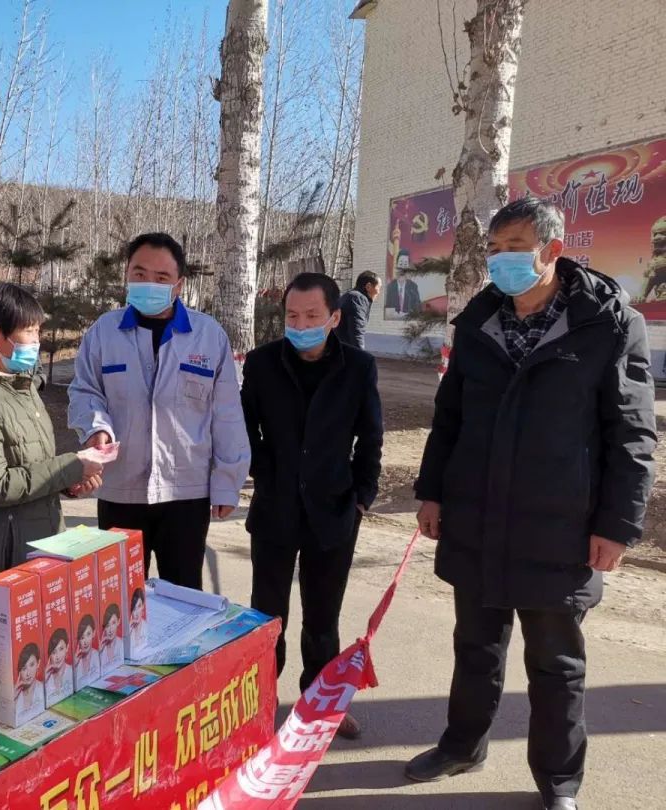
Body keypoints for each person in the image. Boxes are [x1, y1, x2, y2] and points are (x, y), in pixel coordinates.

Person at [406, 198, 656, 810]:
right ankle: (463, 745)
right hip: (477, 516)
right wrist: (432, 491)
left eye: (514, 245)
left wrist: (618, 526)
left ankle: (559, 781)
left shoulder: (609, 323)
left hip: (561, 526)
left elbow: (632, 432)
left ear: (551, 249)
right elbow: (450, 419)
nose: (501, 259)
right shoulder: (477, 323)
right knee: (476, 647)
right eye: (493, 248)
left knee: (556, 664)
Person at [241, 272, 383, 740]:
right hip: (275, 512)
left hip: (334, 512)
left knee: (323, 620)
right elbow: (246, 429)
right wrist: (266, 471)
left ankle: (320, 704)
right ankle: (258, 704)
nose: (300, 323)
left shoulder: (359, 367)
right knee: (267, 617)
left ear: (335, 317)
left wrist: (361, 497)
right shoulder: (262, 364)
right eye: (292, 315)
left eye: (312, 315)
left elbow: (371, 438)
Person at [68, 232, 250, 588]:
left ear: (179, 285)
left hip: (185, 494)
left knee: (183, 599)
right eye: (139, 273)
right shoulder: (104, 332)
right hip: (120, 489)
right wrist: (95, 426)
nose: (148, 283)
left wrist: (228, 483)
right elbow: (85, 390)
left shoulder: (208, 336)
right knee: (118, 599)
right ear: (127, 275)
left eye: (161, 277)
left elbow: (226, 413)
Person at [0, 282, 104, 635]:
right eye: (28, 331)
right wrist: (72, 465)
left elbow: (34, 467)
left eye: (38, 330)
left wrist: (71, 483)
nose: (36, 341)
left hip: (40, 547)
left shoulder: (21, 387)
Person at [336, 271, 381, 349]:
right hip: (345, 351)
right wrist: (361, 357)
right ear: (368, 286)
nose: (379, 292)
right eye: (378, 287)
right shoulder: (357, 299)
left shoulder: (350, 295)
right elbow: (356, 331)